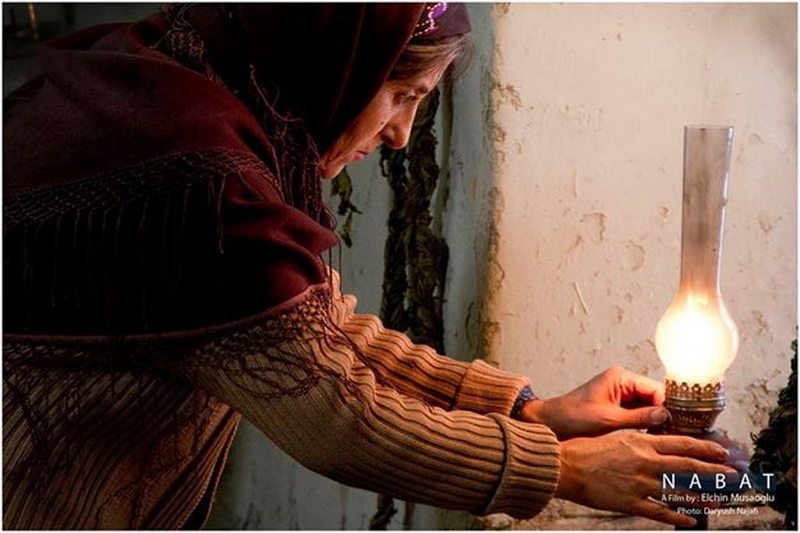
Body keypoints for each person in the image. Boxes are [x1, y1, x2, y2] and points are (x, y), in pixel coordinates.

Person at [3, 4, 735, 529]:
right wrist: (566, 469)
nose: (400, 134)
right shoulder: (197, 179)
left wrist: (533, 411)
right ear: (334, 58)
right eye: (402, 94)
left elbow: (318, 333)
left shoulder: (198, 79)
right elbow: (337, 413)